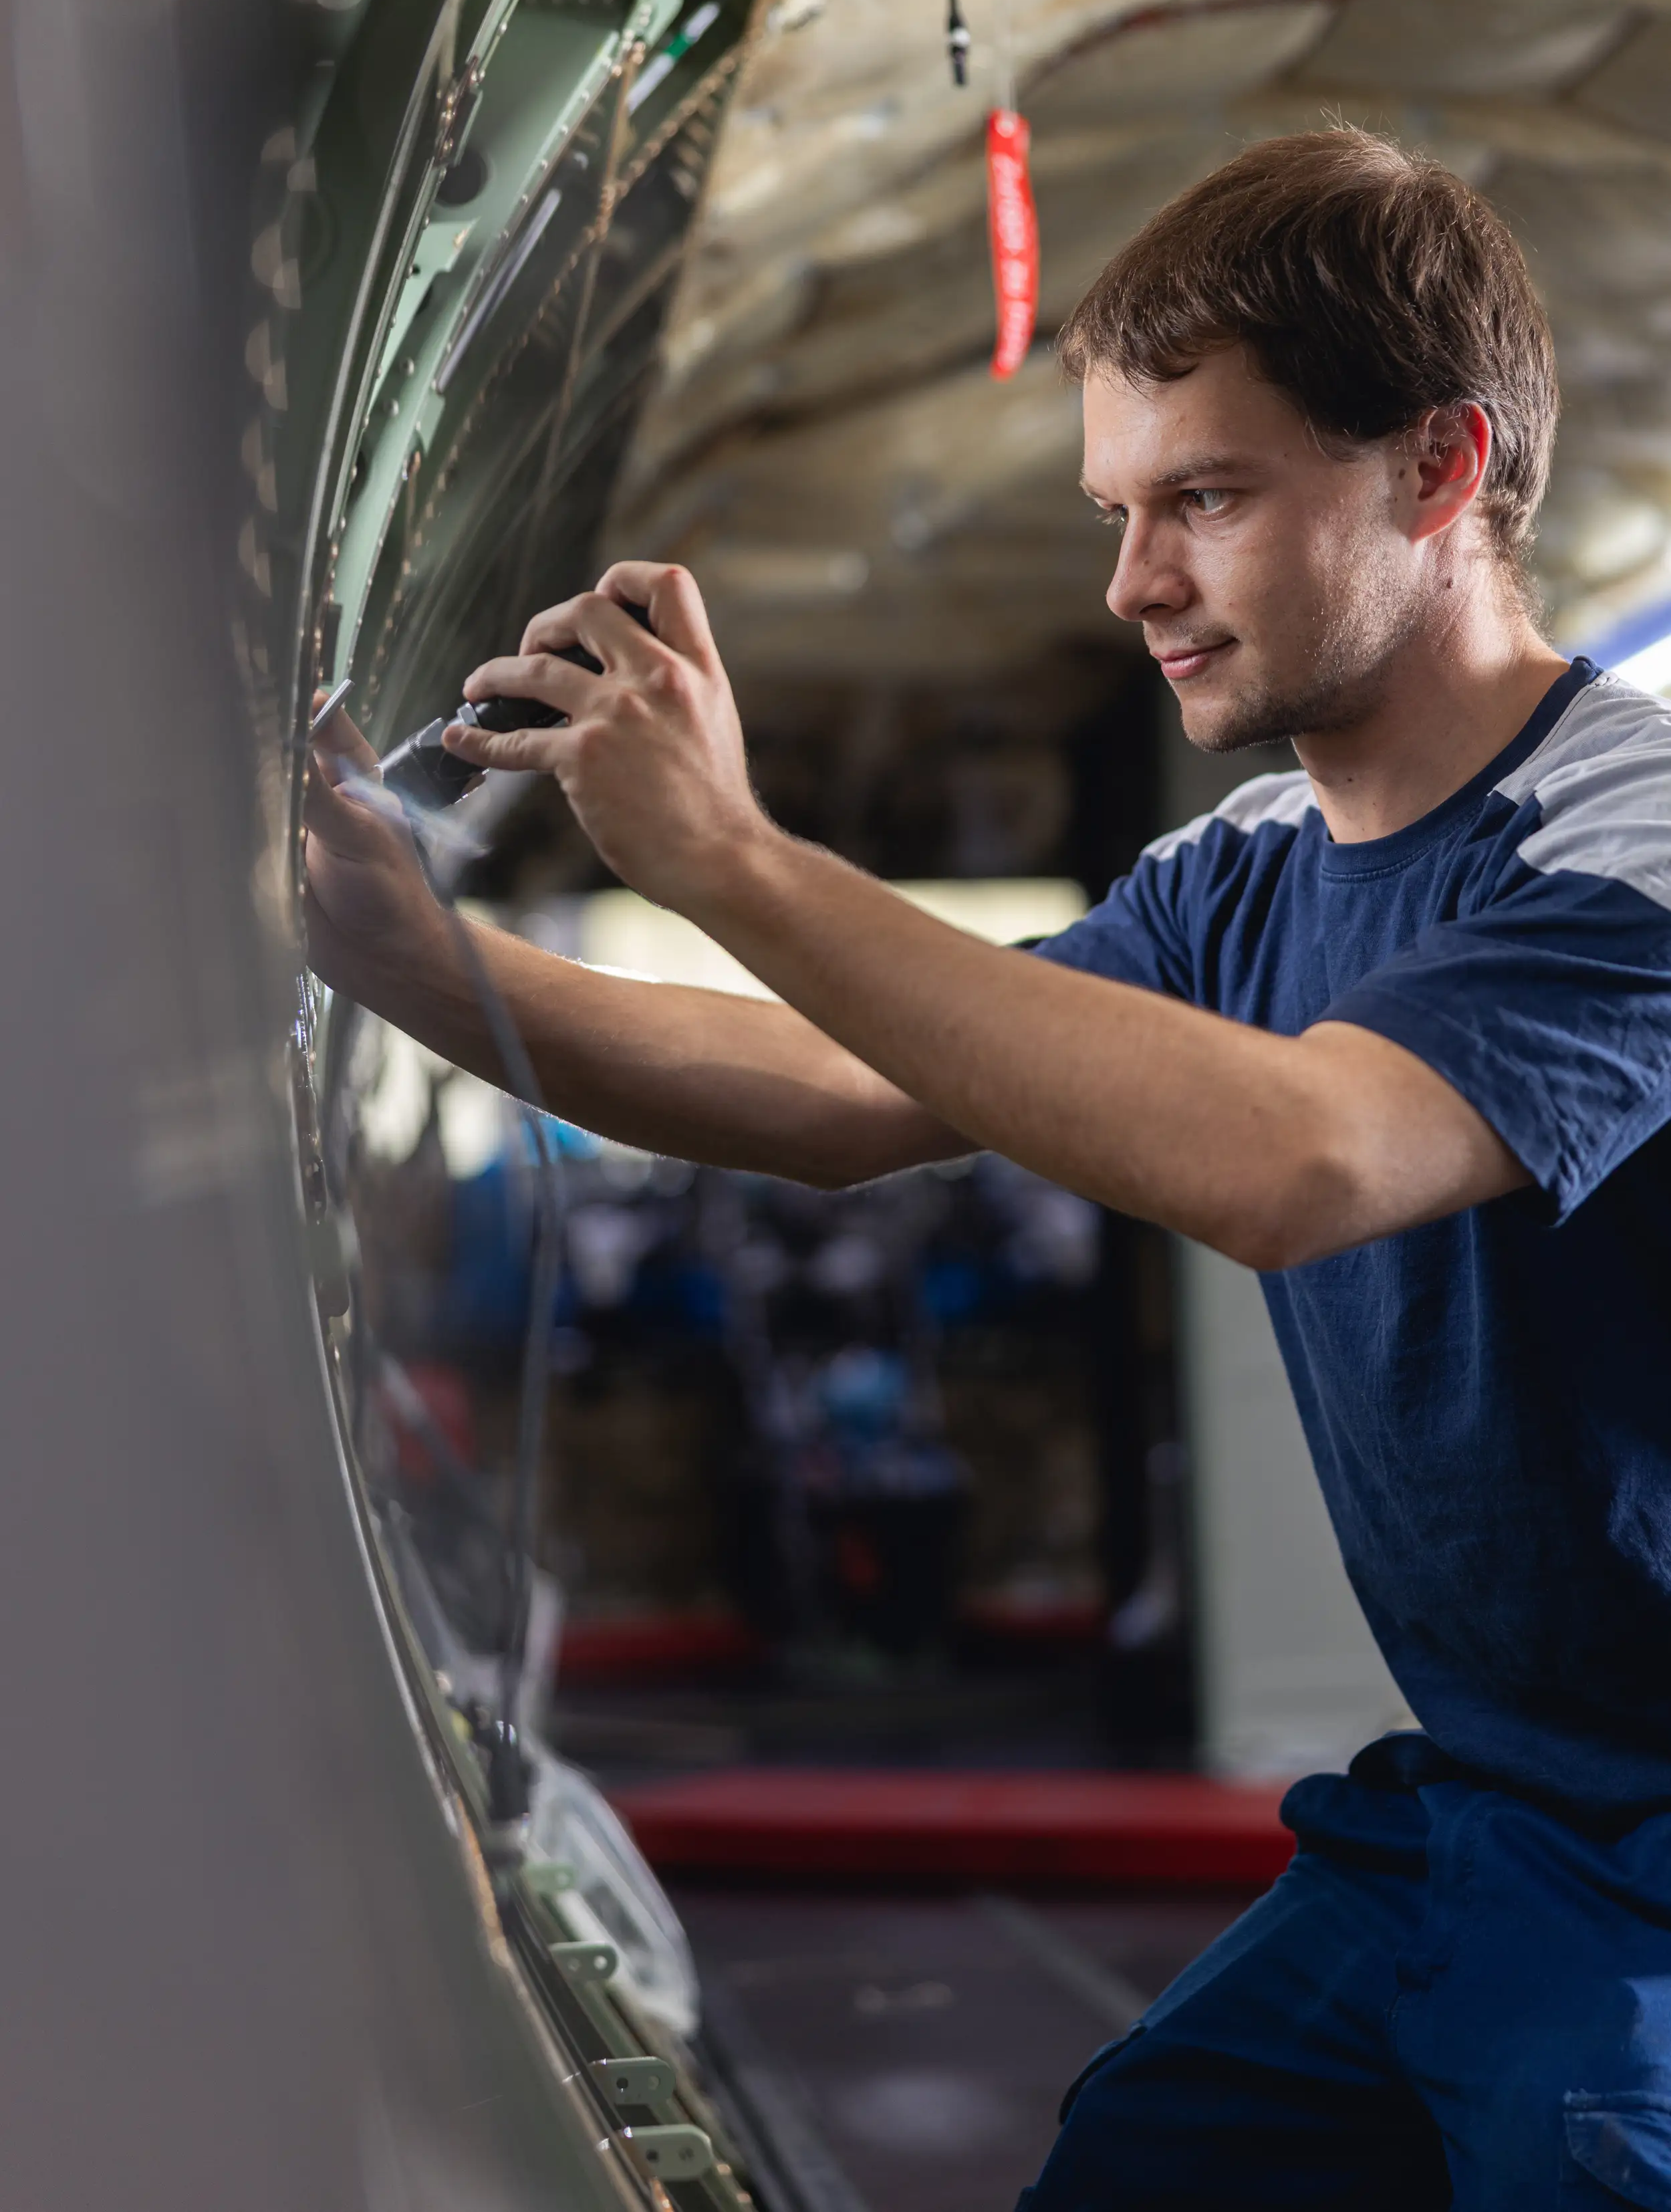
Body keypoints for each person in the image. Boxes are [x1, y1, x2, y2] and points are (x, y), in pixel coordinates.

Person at [305, 128, 1671, 2207]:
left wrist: (736, 857)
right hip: (1491, 1800)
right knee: (1143, 2164)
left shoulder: (1627, 835)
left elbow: (1300, 1156)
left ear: (1439, 467)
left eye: (1202, 500)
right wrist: (401, 948)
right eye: (1118, 512)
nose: (1132, 585)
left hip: (1654, 1871)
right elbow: (855, 1086)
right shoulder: (1244, 873)